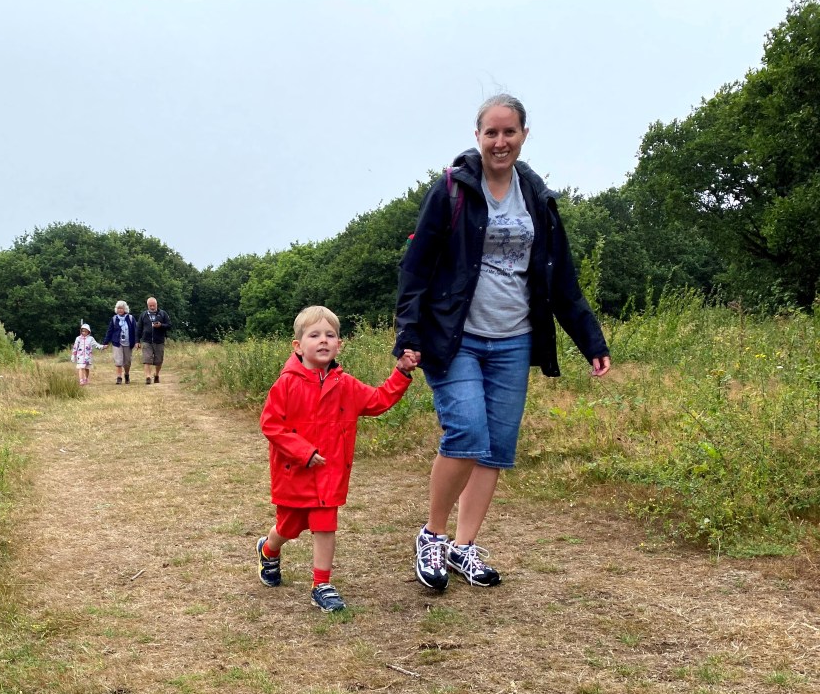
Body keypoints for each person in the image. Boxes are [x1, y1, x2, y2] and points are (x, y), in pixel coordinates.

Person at [394, 94, 611, 592]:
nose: (499, 141)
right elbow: (415, 268)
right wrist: (408, 332)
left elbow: (561, 276)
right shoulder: (452, 189)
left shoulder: (536, 195)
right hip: (455, 338)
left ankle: (463, 546)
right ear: (477, 136)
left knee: (494, 448)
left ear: (524, 135)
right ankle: (432, 535)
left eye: (509, 132)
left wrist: (590, 338)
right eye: (490, 132)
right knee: (467, 433)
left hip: (514, 340)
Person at [256, 305, 418, 612]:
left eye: (330, 335)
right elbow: (271, 425)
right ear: (298, 346)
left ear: (339, 344)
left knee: (325, 524)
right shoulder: (286, 384)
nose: (323, 340)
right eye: (314, 335)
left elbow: (379, 400)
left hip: (329, 473)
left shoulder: (346, 385)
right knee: (289, 527)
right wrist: (303, 452)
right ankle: (269, 549)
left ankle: (321, 584)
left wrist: (402, 372)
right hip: (294, 473)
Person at [136, 296, 171, 385]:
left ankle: (157, 374)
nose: (152, 307)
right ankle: (148, 377)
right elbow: (139, 328)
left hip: (159, 341)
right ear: (147, 305)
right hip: (146, 341)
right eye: (150, 305)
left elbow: (169, 325)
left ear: (156, 304)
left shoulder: (163, 314)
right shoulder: (143, 315)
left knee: (158, 361)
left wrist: (161, 325)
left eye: (153, 305)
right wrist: (137, 341)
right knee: (147, 359)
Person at [102, 300, 138, 384]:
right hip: (117, 343)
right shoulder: (114, 319)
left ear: (125, 309)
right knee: (118, 361)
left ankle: (127, 374)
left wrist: (137, 341)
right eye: (118, 308)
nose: (120, 310)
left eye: (121, 308)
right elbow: (109, 331)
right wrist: (106, 342)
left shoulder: (131, 318)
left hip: (128, 343)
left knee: (127, 362)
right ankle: (119, 377)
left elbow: (135, 331)